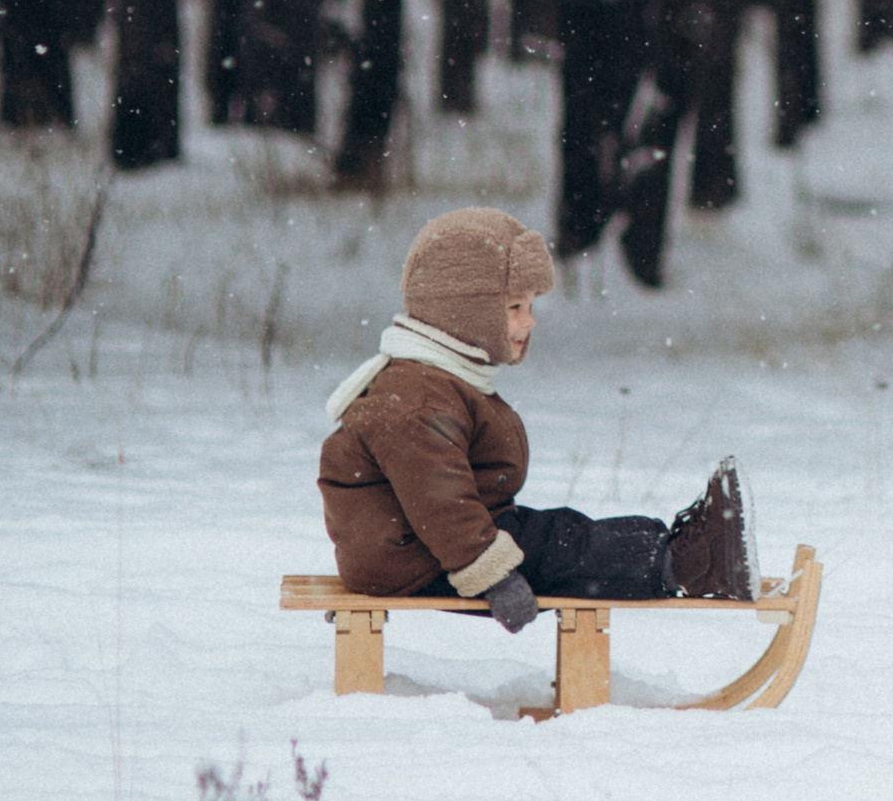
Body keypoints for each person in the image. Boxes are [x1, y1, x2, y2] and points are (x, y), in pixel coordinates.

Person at [318, 207, 757, 632]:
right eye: (513, 307)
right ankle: (692, 563)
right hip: (411, 557)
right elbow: (440, 500)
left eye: (530, 306)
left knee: (558, 535)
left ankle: (681, 550)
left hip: (422, 544)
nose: (528, 321)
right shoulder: (419, 398)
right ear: (463, 311)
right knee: (559, 549)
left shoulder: (437, 377)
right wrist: (493, 576)